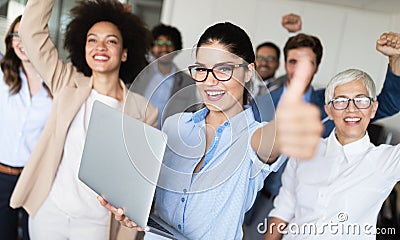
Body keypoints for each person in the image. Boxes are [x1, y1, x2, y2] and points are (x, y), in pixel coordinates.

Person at [99, 21, 323, 239]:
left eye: (223, 69)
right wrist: (135, 213)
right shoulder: (175, 125)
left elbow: (270, 142)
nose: (209, 81)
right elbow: (157, 202)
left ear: (248, 72)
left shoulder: (253, 137)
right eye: (201, 70)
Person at [9, 0, 158, 239]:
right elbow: (30, 30)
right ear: (83, 49)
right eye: (92, 40)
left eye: (111, 41)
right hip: (50, 212)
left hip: (97, 223)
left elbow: (138, 185)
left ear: (124, 53)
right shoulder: (66, 82)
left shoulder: (144, 111)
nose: (100, 47)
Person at [247, 31, 400, 239]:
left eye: (307, 63)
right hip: (262, 200)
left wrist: (396, 61)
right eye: (294, 62)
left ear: (316, 67)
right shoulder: (261, 104)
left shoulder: (335, 101)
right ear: (285, 64)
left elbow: (389, 101)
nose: (300, 69)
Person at [0, 15, 52, 240]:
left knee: (36, 235)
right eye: (16, 35)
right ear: (10, 41)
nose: (21, 42)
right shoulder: (3, 76)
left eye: (28, 35)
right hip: (1, 176)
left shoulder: (55, 84)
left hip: (36, 179)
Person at [132, 24, 199, 128]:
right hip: (134, 130)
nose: (164, 47)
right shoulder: (139, 74)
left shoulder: (188, 82)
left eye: (169, 43)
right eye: (159, 43)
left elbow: (191, 115)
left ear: (176, 47)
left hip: (168, 138)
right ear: (151, 47)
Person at [251, 13, 302, 97]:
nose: (264, 63)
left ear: (278, 64)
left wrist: (294, 34)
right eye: (260, 58)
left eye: (270, 59)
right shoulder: (242, 84)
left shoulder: (284, 84)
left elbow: (298, 69)